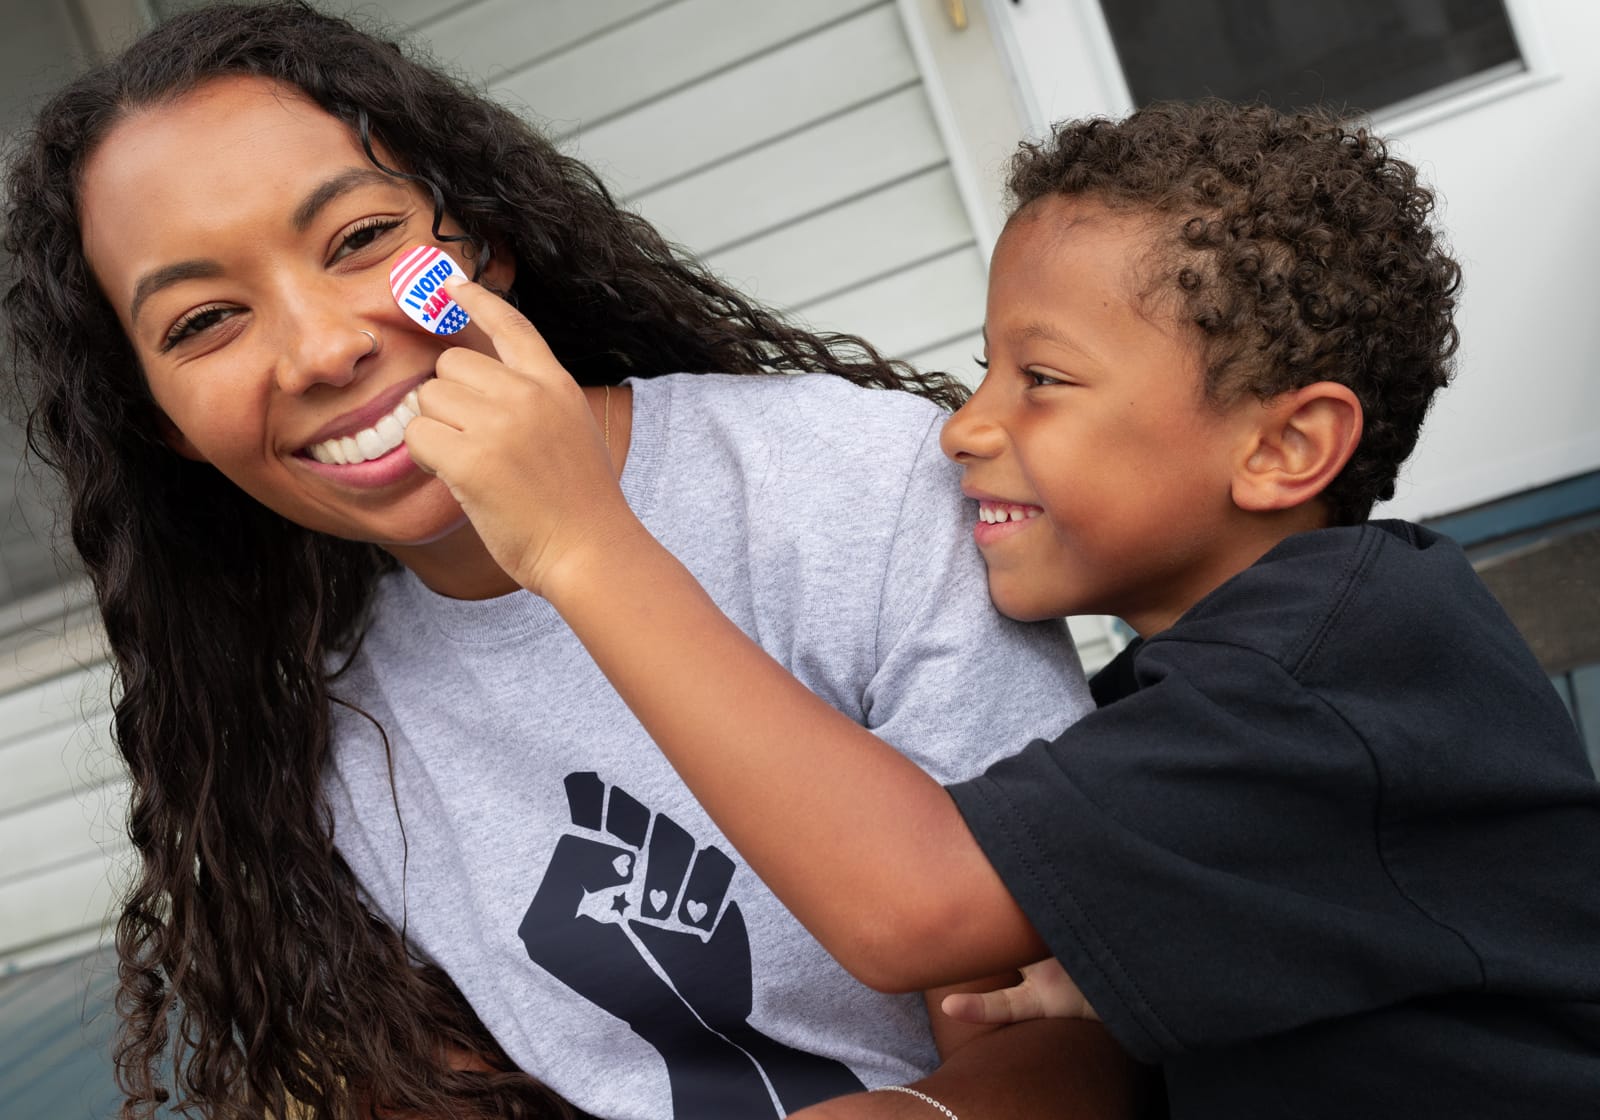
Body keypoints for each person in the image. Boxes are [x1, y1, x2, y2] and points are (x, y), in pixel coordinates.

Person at [1, 4, 1145, 1118]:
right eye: (204, 321)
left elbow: (1078, 1027)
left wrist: (576, 543)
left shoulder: (845, 491)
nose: (324, 348)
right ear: (159, 419)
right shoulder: (315, 717)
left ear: (481, 241)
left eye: (359, 241)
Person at [408, 100, 1600, 1118]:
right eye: (984, 372)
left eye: (1041, 380)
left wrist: (582, 541)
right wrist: (1121, 966)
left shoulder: (1335, 669)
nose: (965, 425)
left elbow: (908, 906)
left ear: (1285, 444)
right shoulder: (1247, 677)